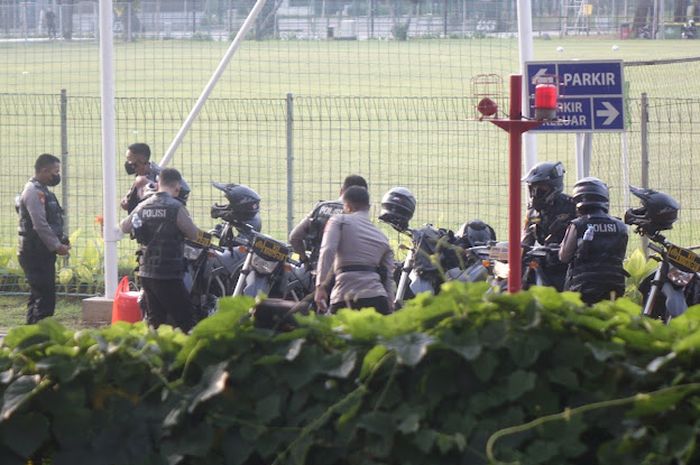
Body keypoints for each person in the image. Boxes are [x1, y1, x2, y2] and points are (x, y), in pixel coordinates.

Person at [120, 168, 207, 332]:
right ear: (177, 187)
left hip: (146, 272)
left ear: (158, 184)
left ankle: (154, 353)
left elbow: (124, 227)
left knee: (155, 320)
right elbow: (194, 234)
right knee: (186, 319)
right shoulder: (176, 207)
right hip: (169, 273)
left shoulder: (143, 205)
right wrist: (208, 238)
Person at [314, 186, 395, 315]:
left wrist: (320, 286)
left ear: (347, 206)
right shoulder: (382, 238)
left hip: (345, 296)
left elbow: (327, 250)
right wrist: (390, 304)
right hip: (377, 299)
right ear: (368, 207)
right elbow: (388, 277)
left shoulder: (339, 220)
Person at [17, 154, 70, 324]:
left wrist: (62, 240)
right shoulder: (33, 191)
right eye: (54, 172)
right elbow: (39, 224)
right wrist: (56, 246)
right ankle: (39, 338)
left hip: (40, 252)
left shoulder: (42, 190)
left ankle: (30, 337)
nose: (56, 176)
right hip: (35, 253)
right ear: (44, 170)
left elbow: (51, 221)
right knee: (45, 300)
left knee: (38, 296)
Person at [559, 177, 628, 305]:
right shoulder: (621, 226)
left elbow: (564, 256)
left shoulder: (577, 225)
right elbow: (621, 255)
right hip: (614, 285)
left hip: (584, 287)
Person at [289, 174, 368, 268]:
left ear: (341, 191)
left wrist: (304, 260)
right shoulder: (354, 213)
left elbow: (294, 237)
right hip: (342, 271)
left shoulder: (320, 207)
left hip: (316, 267)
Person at [521, 161, 576, 291]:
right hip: (544, 262)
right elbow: (525, 241)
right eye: (532, 189)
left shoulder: (571, 206)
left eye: (541, 189)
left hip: (567, 266)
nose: (535, 194)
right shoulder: (532, 212)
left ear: (554, 187)